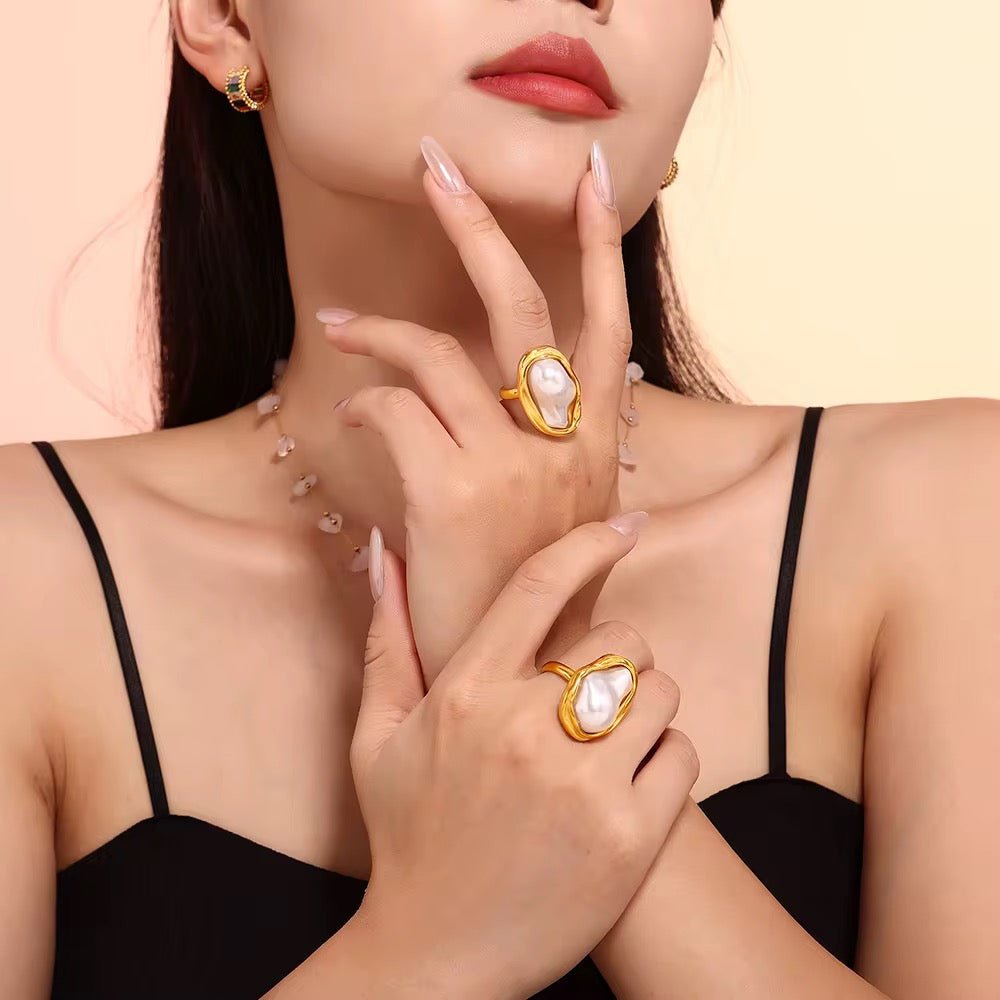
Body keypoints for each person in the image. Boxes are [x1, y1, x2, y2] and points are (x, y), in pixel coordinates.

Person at [1, 0, 996, 997]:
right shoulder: (28, 566)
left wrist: (536, 645)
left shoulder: (942, 510)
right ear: (226, 18)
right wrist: (428, 945)